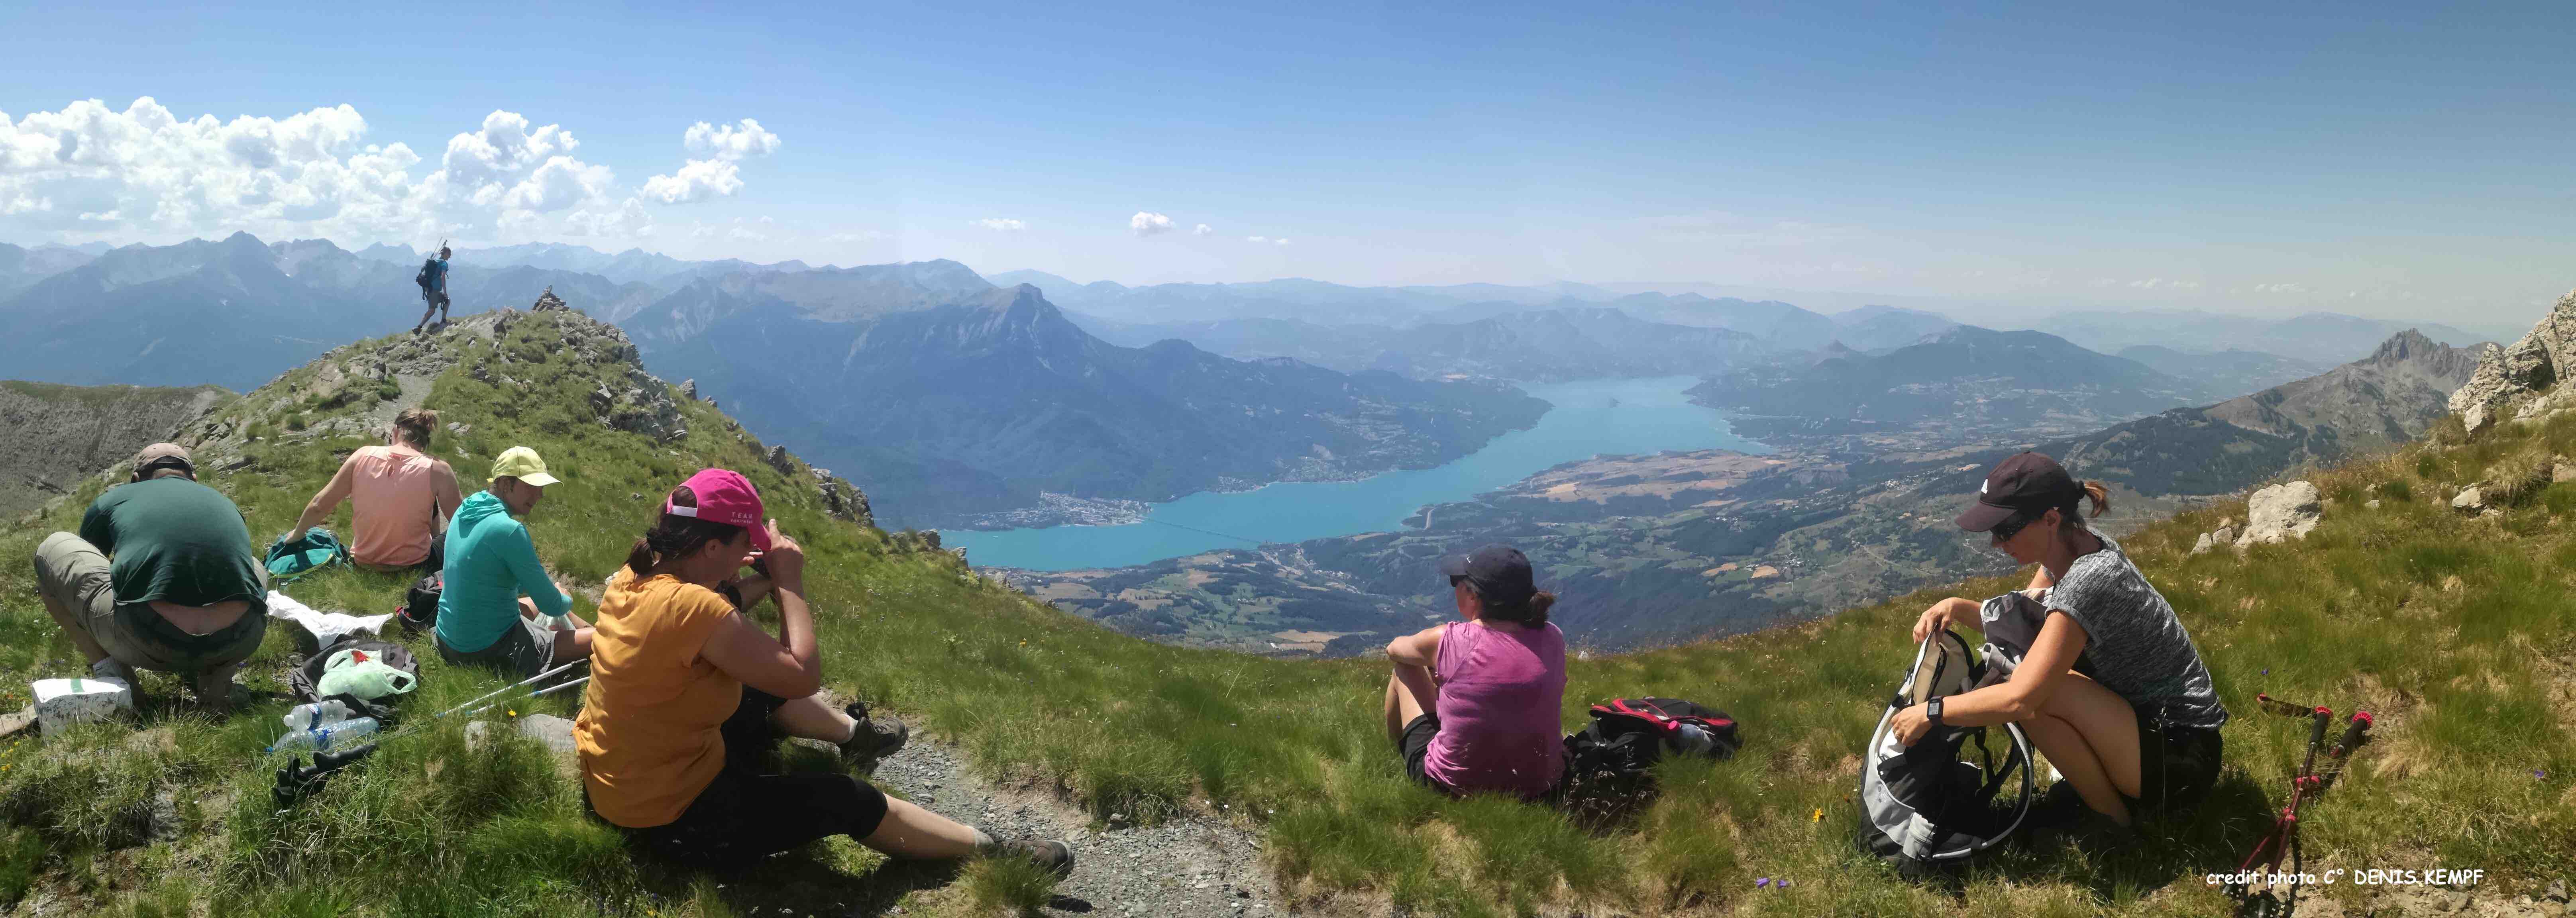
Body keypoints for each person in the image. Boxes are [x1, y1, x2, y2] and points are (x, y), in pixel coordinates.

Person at [575, 469, 1070, 871]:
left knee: (751, 684)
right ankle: (995, 853)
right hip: (674, 817)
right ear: (709, 548)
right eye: (742, 546)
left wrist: (760, 582)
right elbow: (800, 674)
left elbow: (716, 606)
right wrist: (789, 583)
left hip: (618, 785)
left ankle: (856, 737)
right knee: (846, 799)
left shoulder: (638, 575)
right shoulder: (694, 610)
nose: (747, 558)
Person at [1895, 451, 2228, 845]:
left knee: (2033, 691)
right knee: (2030, 681)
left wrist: (1932, 713)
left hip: (2182, 758)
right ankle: (2110, 806)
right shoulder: (2077, 548)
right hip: (2164, 739)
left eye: (2004, 529)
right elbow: (2028, 617)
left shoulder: (2088, 580)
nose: (1995, 542)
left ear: (2050, 519)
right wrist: (1956, 607)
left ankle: (2115, 826)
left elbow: (2020, 699)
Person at [31, 443, 269, 710]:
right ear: (193, 478)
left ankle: (120, 684)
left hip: (145, 641)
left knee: (51, 548)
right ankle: (218, 689)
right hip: (239, 640)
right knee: (252, 565)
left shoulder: (116, 498)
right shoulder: (226, 503)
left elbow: (92, 560)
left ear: (136, 480)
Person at [1381, 542, 1567, 798]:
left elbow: (1394, 649)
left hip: (1452, 787)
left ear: (1473, 596)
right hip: (1542, 787)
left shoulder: (1449, 640)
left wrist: (1435, 663)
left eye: (1457, 582)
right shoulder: (1553, 637)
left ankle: (1394, 747)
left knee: (1405, 668)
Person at [435, 446, 591, 677]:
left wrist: (543, 589)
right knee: (599, 637)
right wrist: (567, 597)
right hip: (482, 650)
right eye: (532, 487)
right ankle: (597, 634)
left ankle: (584, 627)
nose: (539, 495)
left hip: (447, 638)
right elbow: (552, 606)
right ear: (507, 484)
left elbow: (486, 573)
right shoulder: (510, 530)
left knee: (535, 600)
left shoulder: (466, 509)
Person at [285, 408, 463, 572]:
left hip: (364, 562)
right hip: (415, 565)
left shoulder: (362, 455)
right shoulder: (438, 469)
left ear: (395, 431)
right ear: (426, 441)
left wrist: (297, 534)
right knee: (448, 520)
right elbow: (462, 522)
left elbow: (319, 505)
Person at [413, 245, 451, 334]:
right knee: (432, 310)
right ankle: (419, 328)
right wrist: (445, 292)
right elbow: (443, 277)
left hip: (430, 290)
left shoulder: (435, 262)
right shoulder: (444, 264)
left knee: (447, 301)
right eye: (449, 254)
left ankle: (443, 321)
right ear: (445, 254)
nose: (450, 256)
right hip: (434, 291)